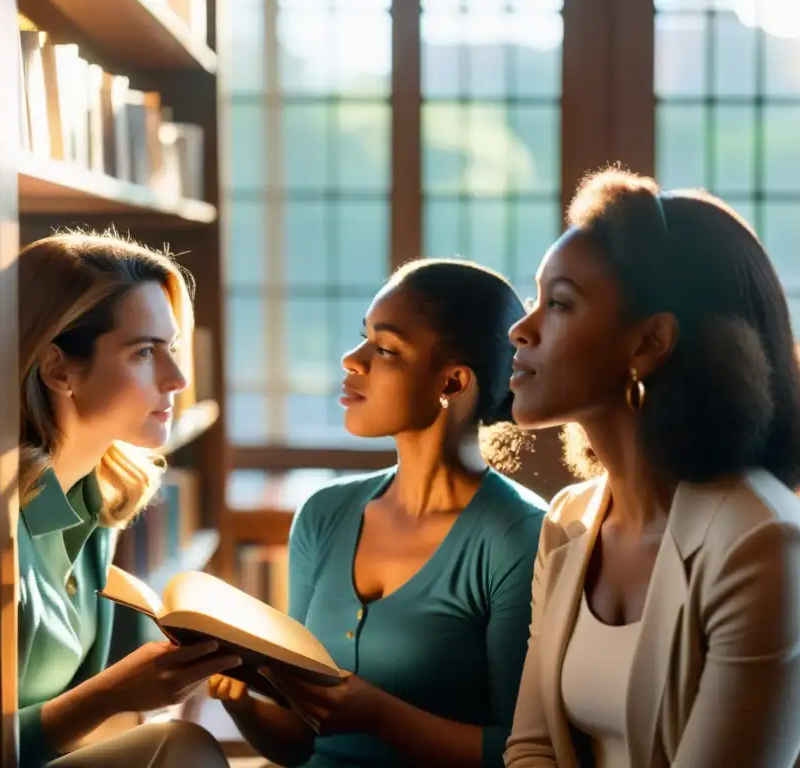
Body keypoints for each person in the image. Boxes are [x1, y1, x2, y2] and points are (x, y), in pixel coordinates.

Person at [503, 169, 800, 768]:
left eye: (560, 303)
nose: (522, 328)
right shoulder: (568, 523)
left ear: (649, 343)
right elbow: (532, 748)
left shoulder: (763, 544)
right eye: (535, 299)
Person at [208, 259, 547, 768]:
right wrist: (242, 706)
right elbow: (304, 742)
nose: (351, 359)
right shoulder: (324, 515)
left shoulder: (517, 534)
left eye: (385, 349)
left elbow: (520, 754)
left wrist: (379, 715)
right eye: (362, 338)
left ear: (452, 383)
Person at [16, 232, 239, 768]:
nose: (178, 378)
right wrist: (111, 695)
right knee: (181, 747)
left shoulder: (92, 505)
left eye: (172, 349)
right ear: (58, 369)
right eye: (144, 352)